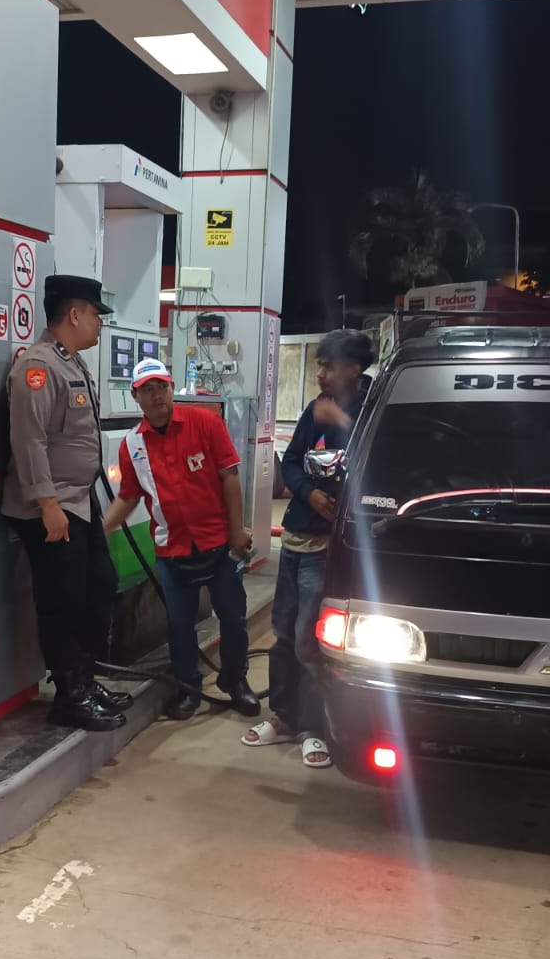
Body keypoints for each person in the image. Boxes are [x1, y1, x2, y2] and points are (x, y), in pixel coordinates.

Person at [2, 275, 134, 732]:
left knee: (98, 588)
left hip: (79, 501)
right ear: (74, 315)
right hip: (53, 508)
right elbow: (29, 440)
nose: (100, 323)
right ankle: (69, 696)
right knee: (64, 602)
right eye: (96, 314)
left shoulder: (71, 363)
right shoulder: (38, 367)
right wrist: (47, 504)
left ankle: (84, 681)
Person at [102, 358, 261, 720]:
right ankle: (188, 688)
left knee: (233, 617)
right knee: (179, 624)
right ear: (135, 396)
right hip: (172, 549)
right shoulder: (132, 445)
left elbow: (229, 476)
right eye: (147, 390)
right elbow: (128, 496)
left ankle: (235, 681)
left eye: (162, 386)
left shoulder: (205, 422)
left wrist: (237, 531)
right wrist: (101, 531)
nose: (156, 395)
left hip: (219, 544)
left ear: (172, 388)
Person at [243, 329, 374, 769]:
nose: (320, 374)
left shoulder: (372, 409)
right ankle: (284, 717)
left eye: (327, 366)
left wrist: (344, 425)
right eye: (319, 366)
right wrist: (307, 493)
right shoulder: (315, 408)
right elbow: (294, 460)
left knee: (309, 640)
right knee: (283, 632)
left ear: (353, 369)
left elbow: (377, 464)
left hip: (328, 548)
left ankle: (314, 727)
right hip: (296, 538)